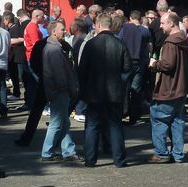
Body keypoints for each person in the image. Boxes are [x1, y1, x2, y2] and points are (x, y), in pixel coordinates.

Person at [79, 14, 132, 167]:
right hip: (114, 91)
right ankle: (119, 160)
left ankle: (90, 159)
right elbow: (128, 68)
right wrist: (119, 81)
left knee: (92, 126)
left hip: (94, 91)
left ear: (99, 25)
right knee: (115, 125)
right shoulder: (120, 43)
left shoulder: (90, 44)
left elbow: (82, 70)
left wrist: (84, 89)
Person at [148, 12, 188, 163]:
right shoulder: (184, 39)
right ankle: (178, 154)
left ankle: (161, 154)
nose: (160, 26)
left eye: (162, 23)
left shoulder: (170, 43)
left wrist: (154, 64)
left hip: (169, 89)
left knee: (159, 119)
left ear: (171, 23)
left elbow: (167, 64)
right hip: (181, 88)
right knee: (177, 121)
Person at [40, 20, 80, 162]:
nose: (65, 31)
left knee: (63, 122)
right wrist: (68, 88)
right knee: (57, 123)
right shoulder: (54, 50)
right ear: (53, 32)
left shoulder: (53, 48)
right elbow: (59, 74)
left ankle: (68, 151)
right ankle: (48, 152)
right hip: (59, 91)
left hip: (57, 90)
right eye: (62, 29)